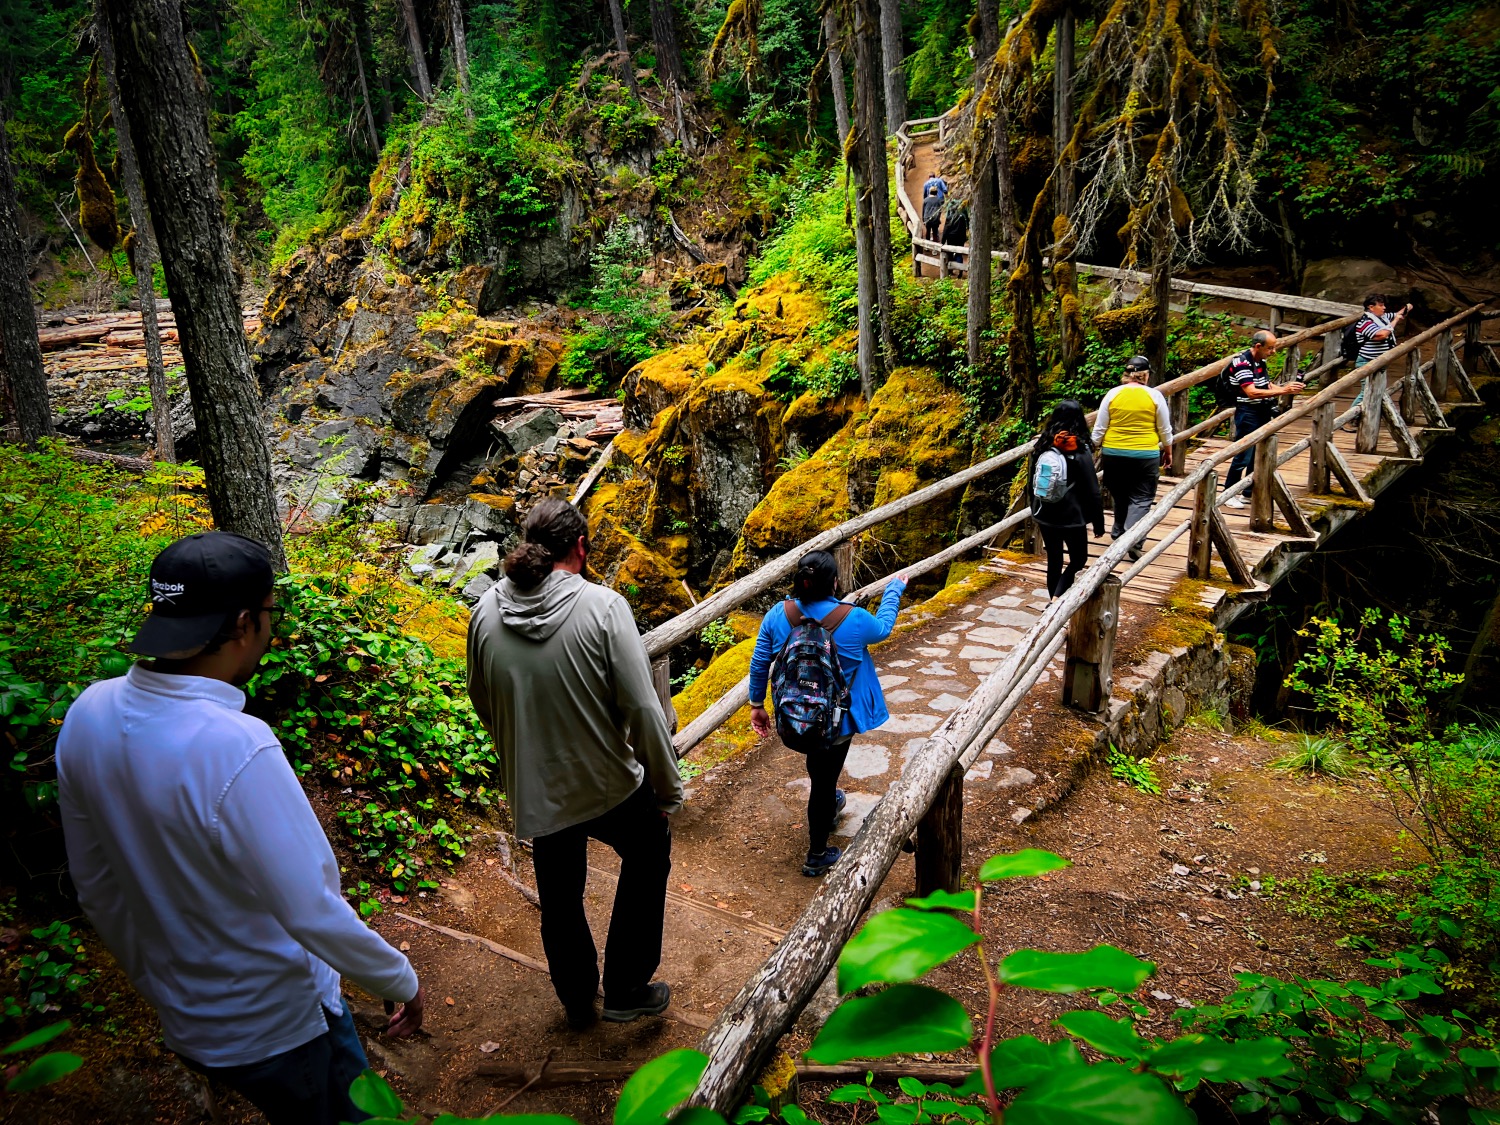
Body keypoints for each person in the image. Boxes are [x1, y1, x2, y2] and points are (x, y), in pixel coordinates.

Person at [57, 531, 423, 1125]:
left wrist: (161, 988)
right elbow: (311, 908)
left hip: (191, 1021)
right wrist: (399, 978)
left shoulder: (88, 713)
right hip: (281, 1025)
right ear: (246, 622)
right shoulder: (235, 745)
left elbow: (96, 888)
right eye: (272, 614)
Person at [467, 499, 682, 1031]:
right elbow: (641, 709)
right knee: (649, 851)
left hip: (537, 786)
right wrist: (666, 787)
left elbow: (482, 699)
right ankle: (627, 987)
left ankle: (576, 994)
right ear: (580, 548)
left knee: (560, 892)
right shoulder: (604, 607)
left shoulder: (485, 614)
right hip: (608, 780)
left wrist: (520, 759)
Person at [748, 553, 906, 877]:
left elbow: (760, 662)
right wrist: (894, 590)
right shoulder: (856, 619)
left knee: (821, 771)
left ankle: (830, 801)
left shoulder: (779, 615)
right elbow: (885, 627)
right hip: (836, 721)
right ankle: (817, 853)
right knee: (823, 778)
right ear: (834, 583)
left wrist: (757, 705)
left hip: (794, 715)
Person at [1092, 355, 1172, 562]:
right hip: (1145, 453)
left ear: (1127, 374)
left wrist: (1094, 448)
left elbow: (1100, 428)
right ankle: (1133, 540)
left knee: (1120, 494)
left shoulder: (1112, 394)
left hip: (1113, 453)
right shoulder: (1155, 396)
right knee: (1142, 498)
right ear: (1145, 375)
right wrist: (1169, 451)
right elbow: (1164, 428)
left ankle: (1119, 533)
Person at [1221, 330, 1305, 508]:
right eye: (1270, 348)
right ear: (1258, 346)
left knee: (1258, 453)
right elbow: (1251, 392)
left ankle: (1249, 492)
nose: (1273, 352)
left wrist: (1286, 387)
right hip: (1248, 411)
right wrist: (1283, 391)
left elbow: (1265, 385)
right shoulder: (1242, 364)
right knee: (1244, 453)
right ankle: (1228, 493)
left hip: (1262, 409)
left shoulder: (1261, 361)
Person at [1030, 400, 1105, 597]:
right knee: (1078, 559)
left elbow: (1031, 482)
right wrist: (1098, 521)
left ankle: (1052, 599)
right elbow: (1092, 490)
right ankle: (1056, 600)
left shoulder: (1042, 445)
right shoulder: (1079, 449)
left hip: (1045, 513)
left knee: (1054, 559)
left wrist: (1035, 509)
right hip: (1072, 516)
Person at [1347, 293, 1412, 427]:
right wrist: (1396, 321)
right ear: (1371, 307)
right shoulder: (1365, 322)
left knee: (1378, 389)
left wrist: (1407, 307)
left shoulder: (1382, 317)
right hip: (1367, 362)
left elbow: (1396, 314)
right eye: (1381, 305)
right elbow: (1382, 334)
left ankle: (1367, 417)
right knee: (1365, 392)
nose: (1384, 308)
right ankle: (1349, 418)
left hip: (1380, 362)